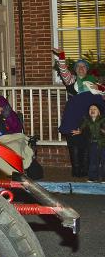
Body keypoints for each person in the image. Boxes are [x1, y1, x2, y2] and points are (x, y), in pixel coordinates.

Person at [52, 49, 105, 177]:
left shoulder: (93, 82)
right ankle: (76, 171)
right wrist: (61, 56)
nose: (81, 68)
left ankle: (87, 171)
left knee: (88, 144)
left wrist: (100, 88)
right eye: (78, 67)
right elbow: (64, 71)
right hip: (73, 118)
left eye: (83, 67)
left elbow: (103, 94)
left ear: (87, 70)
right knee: (74, 144)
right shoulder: (72, 81)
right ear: (75, 70)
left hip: (89, 119)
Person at [81, 103, 105, 182]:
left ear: (99, 112)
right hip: (93, 143)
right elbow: (82, 127)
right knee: (92, 160)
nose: (92, 110)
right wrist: (79, 130)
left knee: (103, 160)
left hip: (103, 143)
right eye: (90, 109)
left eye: (94, 109)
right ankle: (93, 177)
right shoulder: (86, 120)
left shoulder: (103, 119)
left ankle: (103, 177)